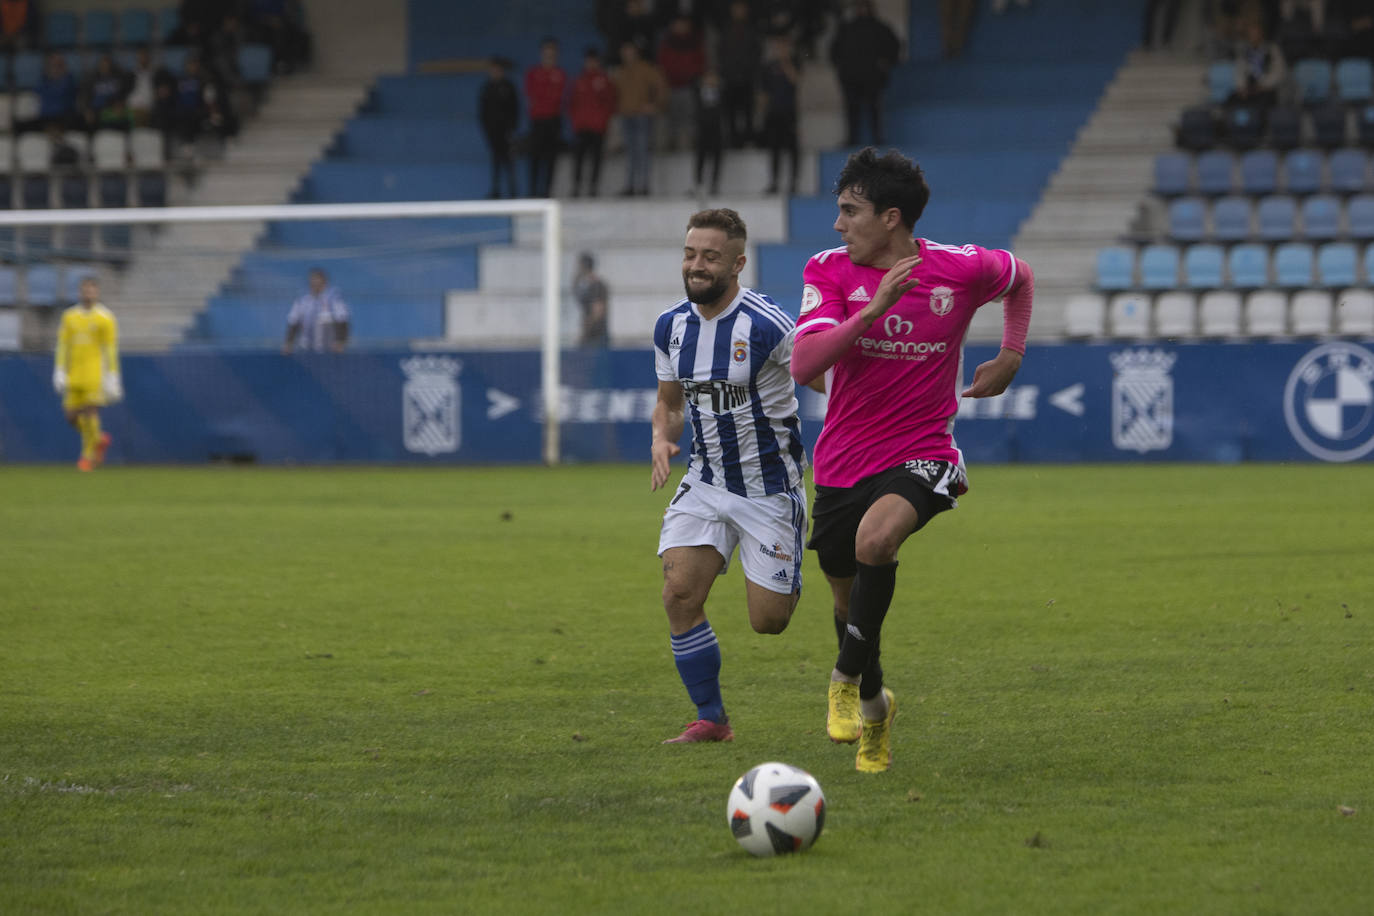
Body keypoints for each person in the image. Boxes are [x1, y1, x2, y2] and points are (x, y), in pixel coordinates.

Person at [788, 148, 1034, 773]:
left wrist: (1010, 354)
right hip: (842, 463)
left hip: (925, 451)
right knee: (849, 608)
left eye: (851, 211)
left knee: (878, 540)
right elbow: (806, 364)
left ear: (891, 217)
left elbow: (1020, 276)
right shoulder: (831, 271)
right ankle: (874, 710)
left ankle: (841, 681)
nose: (838, 224)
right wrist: (870, 312)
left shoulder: (959, 269)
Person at [651, 208, 812, 744]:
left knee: (768, 622)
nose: (696, 266)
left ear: (738, 263)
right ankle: (712, 719)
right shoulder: (671, 326)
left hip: (770, 488)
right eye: (690, 254)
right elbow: (669, 404)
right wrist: (662, 435)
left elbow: (831, 382)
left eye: (710, 257)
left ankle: (808, 564)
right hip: (706, 480)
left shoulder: (771, 327)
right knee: (679, 594)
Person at [53, 277, 120, 472]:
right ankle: (98, 439)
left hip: (94, 372)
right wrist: (59, 370)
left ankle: (87, 456)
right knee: (71, 417)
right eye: (85, 290)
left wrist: (112, 375)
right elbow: (63, 345)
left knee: (91, 411)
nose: (88, 294)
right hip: (74, 372)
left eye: (92, 290)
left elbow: (110, 348)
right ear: (80, 293)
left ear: (97, 293)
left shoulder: (106, 317)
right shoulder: (69, 317)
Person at [829, 0, 900, 146]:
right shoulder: (847, 28)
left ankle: (877, 139)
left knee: (874, 109)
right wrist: (840, 67)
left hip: (872, 77)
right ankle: (852, 139)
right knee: (852, 110)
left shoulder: (880, 28)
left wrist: (886, 63)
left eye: (864, 6)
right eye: (859, 7)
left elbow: (894, 47)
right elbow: (834, 50)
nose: (862, 10)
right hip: (851, 77)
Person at [613, 40, 667, 196]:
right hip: (626, 116)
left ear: (636, 52)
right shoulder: (621, 72)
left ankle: (643, 186)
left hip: (641, 116)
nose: (627, 54)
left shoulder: (645, 69)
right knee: (630, 153)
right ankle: (630, 186)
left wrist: (654, 105)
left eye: (630, 51)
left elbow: (661, 87)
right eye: (625, 51)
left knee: (642, 151)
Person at [569, 47, 618, 198]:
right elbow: (572, 103)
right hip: (582, 126)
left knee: (596, 159)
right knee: (579, 158)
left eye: (594, 61)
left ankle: (593, 188)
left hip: (598, 126)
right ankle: (576, 187)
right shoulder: (579, 80)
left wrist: (603, 120)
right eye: (588, 61)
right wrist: (576, 121)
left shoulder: (604, 80)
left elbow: (610, 102)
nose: (591, 63)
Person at [524, 37, 567, 199]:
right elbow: (532, 95)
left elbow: (558, 97)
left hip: (553, 120)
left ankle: (547, 191)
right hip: (537, 120)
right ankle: (533, 191)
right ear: (542, 53)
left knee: (551, 157)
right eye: (546, 51)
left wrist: (546, 98)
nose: (549, 54)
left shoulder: (560, 74)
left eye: (552, 52)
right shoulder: (534, 73)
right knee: (535, 156)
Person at [759, 33, 800, 195]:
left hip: (789, 112)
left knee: (792, 148)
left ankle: (794, 182)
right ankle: (774, 182)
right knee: (774, 149)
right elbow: (764, 92)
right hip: (773, 112)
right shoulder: (768, 67)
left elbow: (796, 80)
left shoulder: (794, 62)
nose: (780, 50)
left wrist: (785, 62)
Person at [716, 0, 761, 148]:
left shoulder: (752, 30)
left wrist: (750, 72)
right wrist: (725, 72)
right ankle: (733, 141)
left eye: (741, 8)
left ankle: (748, 138)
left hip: (747, 78)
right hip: (729, 78)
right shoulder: (725, 30)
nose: (739, 11)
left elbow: (756, 54)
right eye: (736, 8)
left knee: (747, 110)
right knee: (730, 112)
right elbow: (721, 54)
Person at [479, 56, 520, 199]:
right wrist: (487, 129)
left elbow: (515, 109)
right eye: (493, 69)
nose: (495, 72)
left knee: (509, 161)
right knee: (495, 161)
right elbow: (483, 111)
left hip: (506, 131)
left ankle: (512, 190)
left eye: (498, 69)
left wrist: (512, 128)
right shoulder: (487, 88)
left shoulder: (509, 87)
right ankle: (496, 189)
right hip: (493, 131)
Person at [283, 268, 349, 353]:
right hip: (306, 348)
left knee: (325, 318)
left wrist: (340, 341)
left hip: (329, 349)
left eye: (318, 281)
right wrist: (289, 342)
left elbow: (342, 319)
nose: (315, 283)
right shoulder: (303, 300)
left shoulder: (334, 298)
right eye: (313, 281)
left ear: (324, 282)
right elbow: (293, 321)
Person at [1229, 21, 1285, 109]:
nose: (1252, 36)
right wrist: (1241, 87)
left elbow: (1278, 72)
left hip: (1266, 88)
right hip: (1249, 88)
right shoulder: (1245, 51)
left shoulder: (1271, 50)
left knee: (1262, 103)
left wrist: (1264, 85)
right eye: (1250, 33)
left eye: (1255, 33)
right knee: (1232, 100)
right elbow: (1239, 70)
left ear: (1261, 34)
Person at [693, 68, 725, 196]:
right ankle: (699, 184)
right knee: (701, 157)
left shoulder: (721, 93)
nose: (711, 81)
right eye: (708, 78)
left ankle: (714, 184)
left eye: (713, 78)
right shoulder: (697, 92)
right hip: (702, 129)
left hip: (717, 129)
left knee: (717, 157)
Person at [573, 252, 610, 347]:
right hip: (591, 336)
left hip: (596, 337)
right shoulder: (587, 287)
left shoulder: (597, 286)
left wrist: (584, 332)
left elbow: (597, 312)